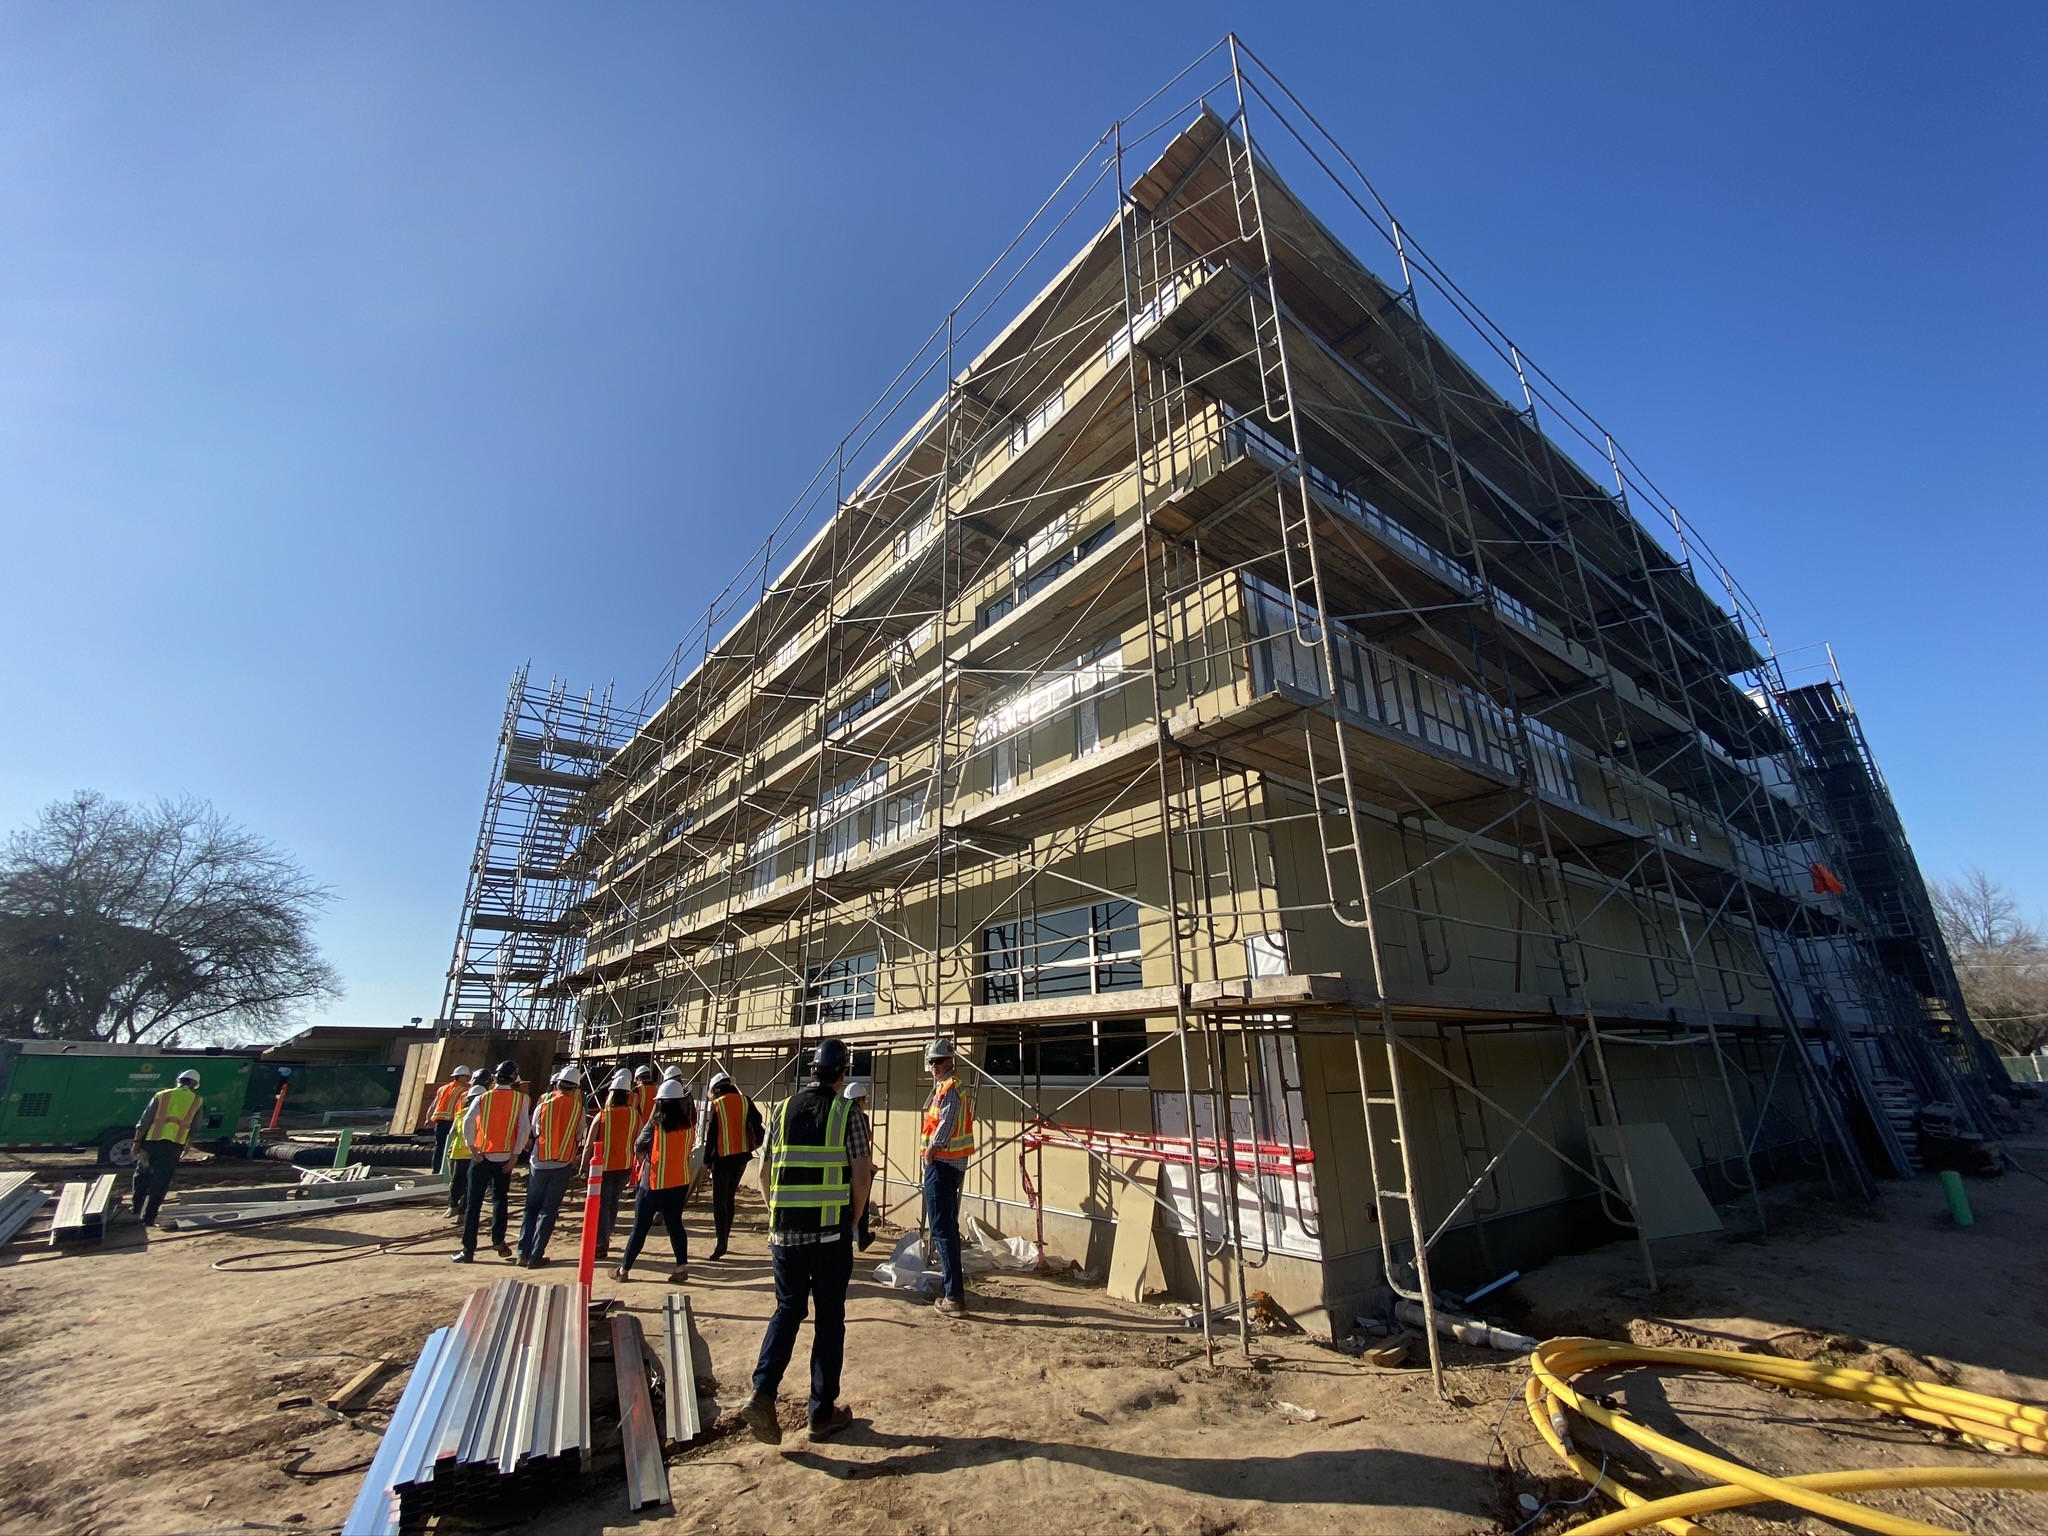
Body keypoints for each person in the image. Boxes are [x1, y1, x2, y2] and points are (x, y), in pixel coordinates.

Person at [741, 1039, 873, 1445]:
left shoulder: (781, 1110)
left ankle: (763, 1392)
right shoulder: (846, 1112)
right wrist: (854, 1218)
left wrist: (776, 1213)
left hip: (785, 1234)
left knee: (787, 1310)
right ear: (842, 1073)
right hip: (830, 1234)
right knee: (829, 1318)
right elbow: (862, 1174)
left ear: (812, 1070)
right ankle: (821, 1413)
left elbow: (763, 1174)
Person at [613, 1078, 695, 1284]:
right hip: (679, 1183)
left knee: (640, 1228)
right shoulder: (689, 1126)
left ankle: (624, 1270)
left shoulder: (655, 1126)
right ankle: (681, 1267)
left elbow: (638, 1145)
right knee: (675, 1226)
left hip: (652, 1184)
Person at [920, 1037, 976, 1317]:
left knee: (942, 1230)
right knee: (946, 1229)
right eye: (931, 1061)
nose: (934, 1066)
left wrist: (932, 1150)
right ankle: (952, 1290)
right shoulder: (945, 1086)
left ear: (950, 1061)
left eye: (938, 1061)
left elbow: (947, 1120)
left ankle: (954, 1296)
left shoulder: (951, 1087)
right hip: (946, 1164)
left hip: (942, 1164)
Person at [454, 1060, 529, 1263]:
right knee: (500, 1200)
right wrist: (515, 1155)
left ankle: (468, 1250)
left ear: (495, 1078)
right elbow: (524, 1128)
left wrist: (471, 1146)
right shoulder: (520, 1100)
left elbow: (468, 1121)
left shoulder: (483, 1097)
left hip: (482, 1157)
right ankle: (498, 1240)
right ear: (513, 1079)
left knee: (474, 1204)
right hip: (505, 1158)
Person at [518, 1067, 583, 1267]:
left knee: (531, 1208)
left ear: (558, 1084)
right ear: (575, 1088)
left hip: (539, 1162)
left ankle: (522, 1253)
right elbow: (579, 1134)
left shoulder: (543, 1105)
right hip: (562, 1163)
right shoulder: (578, 1109)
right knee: (549, 1211)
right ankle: (536, 1255)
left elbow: (535, 1130)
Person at [130, 1068, 205, 1225]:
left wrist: (137, 1142)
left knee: (142, 1173)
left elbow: (144, 1121)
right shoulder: (197, 1101)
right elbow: (195, 1128)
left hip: (151, 1142)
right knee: (161, 1180)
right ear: (194, 1084)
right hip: (174, 1146)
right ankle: (149, 1217)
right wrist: (187, 1146)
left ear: (179, 1081)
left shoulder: (162, 1095)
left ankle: (136, 1207)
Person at [701, 1072, 763, 1260]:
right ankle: (725, 1236)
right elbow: (758, 1120)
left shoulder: (717, 1105)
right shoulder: (745, 1100)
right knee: (729, 1197)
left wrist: (706, 1161)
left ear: (716, 1088)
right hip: (742, 1157)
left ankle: (721, 1241)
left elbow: (711, 1135)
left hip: (721, 1158)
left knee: (719, 1201)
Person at [588, 1069, 637, 1258]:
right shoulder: (634, 1115)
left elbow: (590, 1143)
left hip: (604, 1167)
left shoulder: (603, 1115)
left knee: (603, 1204)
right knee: (613, 1203)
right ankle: (605, 1236)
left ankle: (600, 1241)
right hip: (624, 1166)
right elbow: (639, 1140)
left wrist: (584, 1165)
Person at [444, 1075, 487, 1220]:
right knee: (469, 1184)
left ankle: (454, 1207)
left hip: (461, 1153)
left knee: (458, 1181)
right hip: (473, 1154)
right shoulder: (483, 1115)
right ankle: (461, 1211)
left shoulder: (460, 1114)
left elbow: (452, 1133)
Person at [844, 1079, 876, 1251]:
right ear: (859, 1099)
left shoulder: (839, 1114)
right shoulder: (860, 1117)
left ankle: (851, 1236)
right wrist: (870, 1166)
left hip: (842, 1168)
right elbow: (862, 1147)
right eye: (864, 1100)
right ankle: (861, 1235)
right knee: (861, 1201)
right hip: (857, 1166)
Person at [426, 1065, 472, 1171]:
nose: (467, 1079)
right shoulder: (464, 1090)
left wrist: (428, 1118)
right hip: (451, 1122)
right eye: (466, 1077)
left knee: (439, 1147)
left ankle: (436, 1170)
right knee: (450, 1148)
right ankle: (446, 1171)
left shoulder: (442, 1089)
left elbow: (433, 1105)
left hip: (439, 1121)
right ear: (461, 1077)